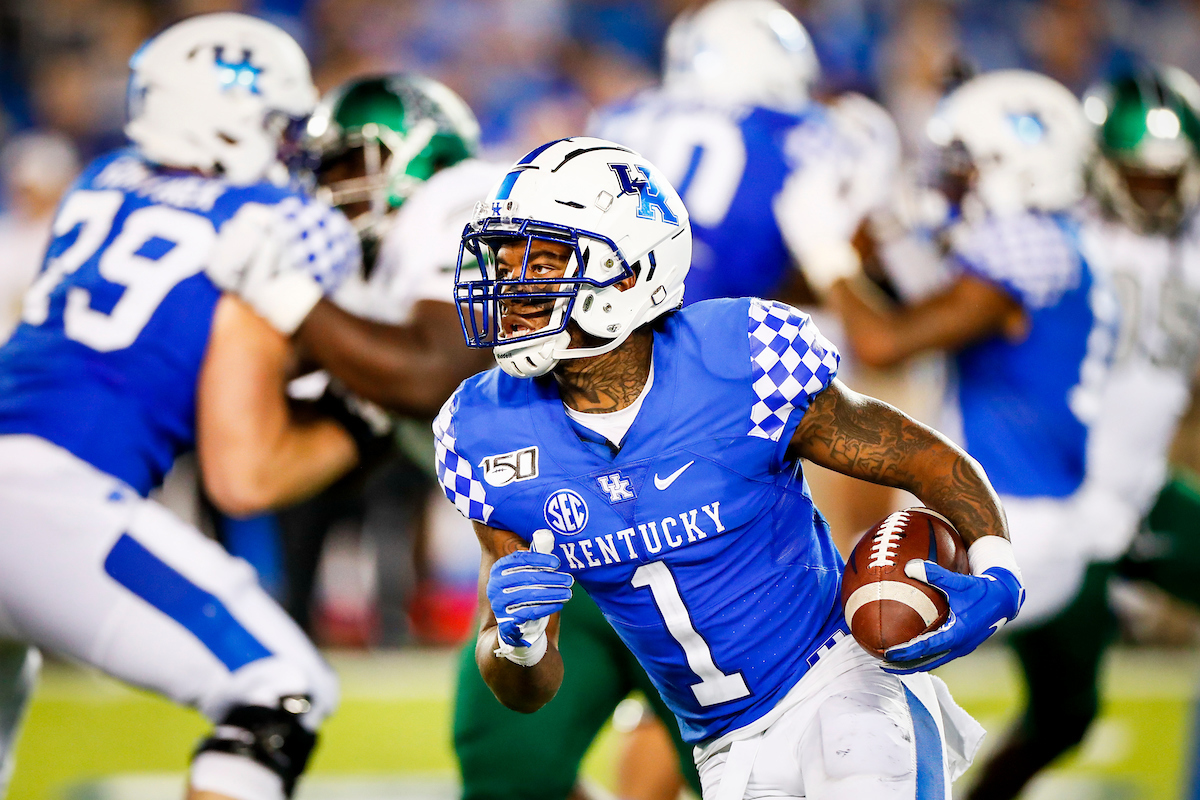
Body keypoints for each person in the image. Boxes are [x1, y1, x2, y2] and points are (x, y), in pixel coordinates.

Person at [435, 135, 1024, 800]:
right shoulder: (484, 431)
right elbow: (524, 691)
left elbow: (923, 458)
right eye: (505, 263)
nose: (511, 287)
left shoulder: (739, 361)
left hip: (842, 688)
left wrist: (999, 565)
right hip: (723, 750)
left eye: (542, 263)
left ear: (628, 272)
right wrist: (517, 644)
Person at [0, 14, 369, 800]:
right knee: (277, 690)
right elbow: (245, 467)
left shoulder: (98, 184)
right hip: (49, 497)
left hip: (24, 467)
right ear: (233, 122)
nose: (290, 147)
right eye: (279, 125)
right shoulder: (276, 222)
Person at [966, 65, 1200, 800]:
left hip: (1141, 491)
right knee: (1067, 715)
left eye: (1170, 178)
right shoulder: (1060, 239)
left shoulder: (1189, 247)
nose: (1155, 194)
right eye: (1141, 175)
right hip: (1061, 506)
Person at [0, 132, 80, 341]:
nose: (25, 196)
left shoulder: (70, 237)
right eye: (21, 188)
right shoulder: (6, 229)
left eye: (32, 188)